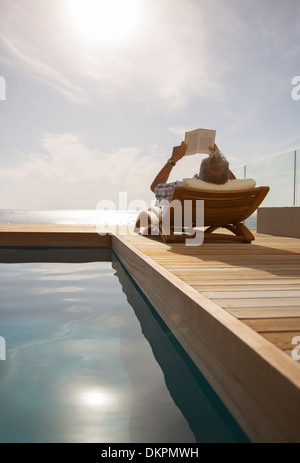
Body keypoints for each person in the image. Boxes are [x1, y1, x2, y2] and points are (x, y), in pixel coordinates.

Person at [150, 142, 236, 204]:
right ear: (226, 175)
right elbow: (234, 181)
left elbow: (155, 187)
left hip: (189, 218)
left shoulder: (187, 186)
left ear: (200, 174)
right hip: (217, 218)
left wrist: (172, 160)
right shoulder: (233, 190)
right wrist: (218, 160)